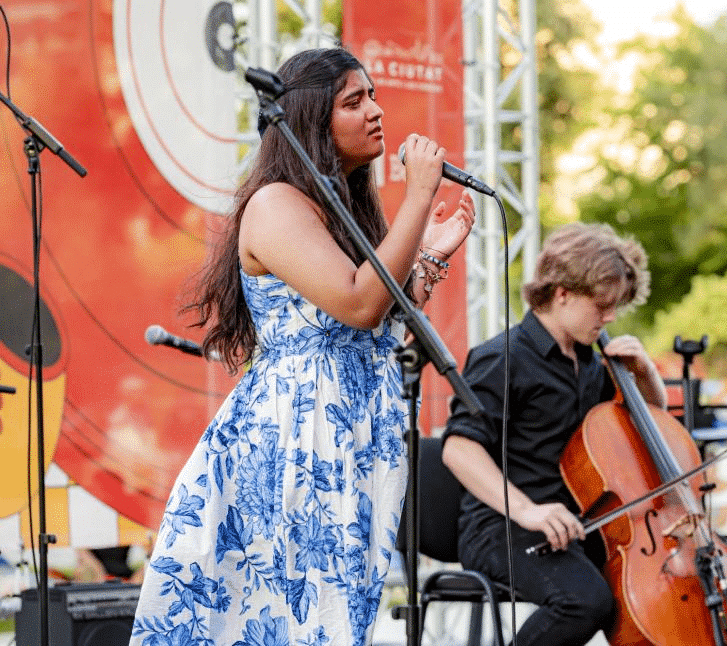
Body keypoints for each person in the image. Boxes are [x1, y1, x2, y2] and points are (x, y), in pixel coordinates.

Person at [129, 47, 475, 646]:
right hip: (297, 434)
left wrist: (433, 251)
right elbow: (359, 302)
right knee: (295, 615)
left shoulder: (339, 205)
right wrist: (418, 197)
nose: (375, 111)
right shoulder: (275, 205)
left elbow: (377, 299)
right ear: (314, 119)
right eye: (353, 101)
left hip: (349, 432)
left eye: (372, 96)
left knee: (336, 611)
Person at [441, 222, 667, 646]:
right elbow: (458, 449)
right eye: (601, 305)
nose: (611, 317)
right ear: (562, 293)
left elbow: (651, 430)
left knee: (649, 597)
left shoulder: (591, 362)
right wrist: (529, 511)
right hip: (504, 525)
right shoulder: (502, 358)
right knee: (583, 602)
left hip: (577, 525)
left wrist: (645, 375)